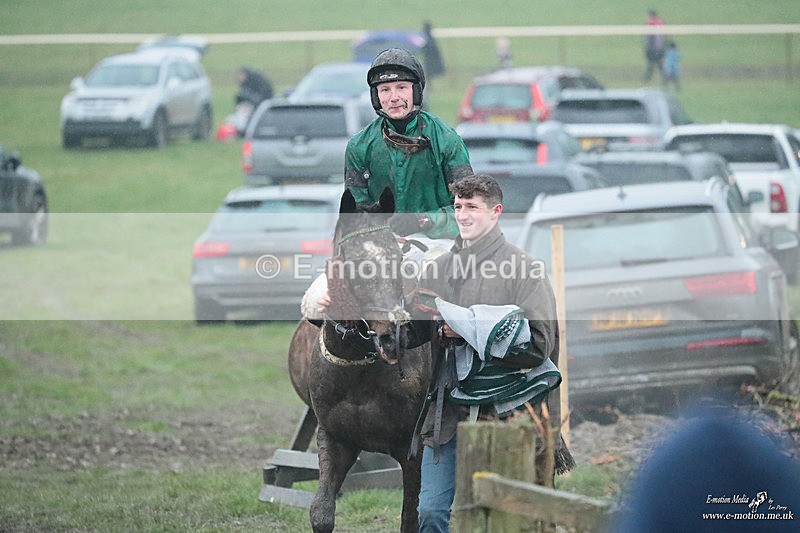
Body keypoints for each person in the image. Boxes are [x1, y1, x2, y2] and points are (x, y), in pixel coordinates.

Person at [413, 174, 573, 532]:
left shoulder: (525, 269)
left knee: (510, 519)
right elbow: (410, 335)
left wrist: (472, 331)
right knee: (431, 513)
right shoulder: (438, 269)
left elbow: (540, 344)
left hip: (511, 420)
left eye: (473, 207)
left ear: (496, 212)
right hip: (448, 417)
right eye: (458, 207)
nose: (463, 215)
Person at [344, 47, 472, 240]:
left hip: (440, 247)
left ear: (416, 91)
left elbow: (470, 211)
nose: (394, 98)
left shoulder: (447, 139)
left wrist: (423, 220)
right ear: (375, 96)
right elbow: (353, 215)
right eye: (385, 90)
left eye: (401, 87)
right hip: (382, 247)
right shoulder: (358, 147)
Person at [643, 9, 666, 83]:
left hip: (653, 48)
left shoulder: (651, 23)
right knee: (659, 64)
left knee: (652, 64)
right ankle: (664, 77)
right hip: (660, 48)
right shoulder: (660, 23)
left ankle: (647, 78)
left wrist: (647, 48)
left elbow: (648, 38)